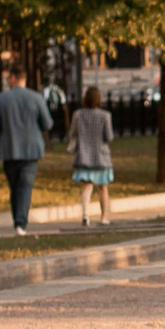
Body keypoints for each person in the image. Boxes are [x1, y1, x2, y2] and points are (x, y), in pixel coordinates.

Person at [0, 67, 50, 237]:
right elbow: (47, 123)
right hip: (31, 150)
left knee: (14, 187)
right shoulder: (36, 98)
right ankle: (21, 223)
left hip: (9, 149)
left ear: (13, 78)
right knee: (25, 186)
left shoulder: (1, 99)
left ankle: (18, 219)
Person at [69, 86, 115, 225]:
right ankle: (103, 217)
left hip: (84, 155)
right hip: (101, 156)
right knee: (103, 188)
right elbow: (109, 137)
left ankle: (85, 215)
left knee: (86, 187)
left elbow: (73, 133)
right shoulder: (105, 116)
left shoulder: (78, 115)